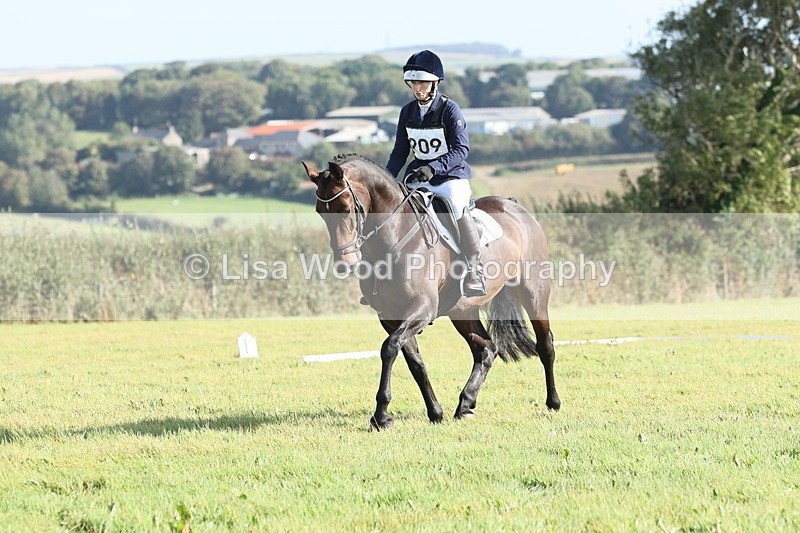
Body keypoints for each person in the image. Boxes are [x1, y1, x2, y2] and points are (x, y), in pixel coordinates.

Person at [386, 49, 486, 297]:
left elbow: (461, 149)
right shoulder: (407, 113)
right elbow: (400, 151)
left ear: (435, 83)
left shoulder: (450, 110)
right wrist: (386, 179)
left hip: (451, 177)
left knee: (455, 204)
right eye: (414, 83)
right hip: (419, 178)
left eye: (422, 83)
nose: (417, 88)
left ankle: (475, 269)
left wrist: (433, 167)